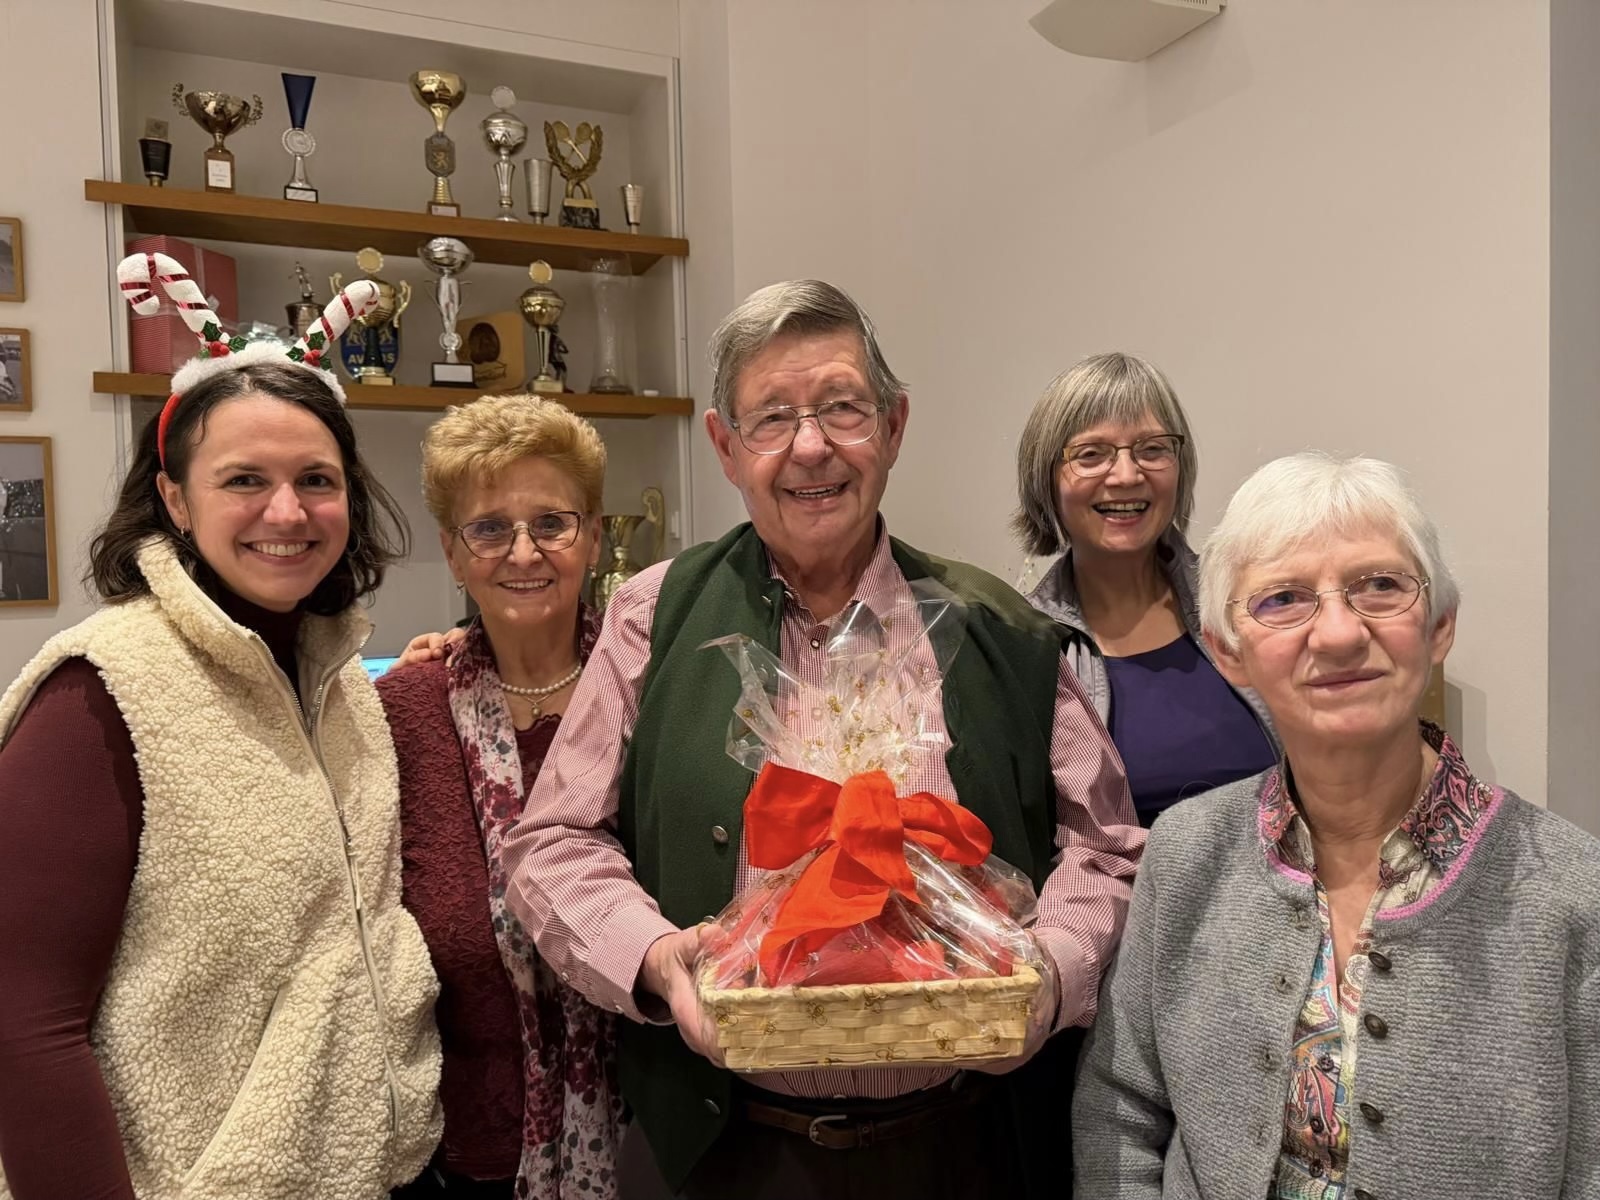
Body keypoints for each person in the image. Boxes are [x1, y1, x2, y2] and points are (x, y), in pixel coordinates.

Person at [500, 280, 1144, 1200]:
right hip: (722, 1151)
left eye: (843, 408)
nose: (811, 446)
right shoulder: (655, 613)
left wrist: (1050, 975)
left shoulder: (1000, 629)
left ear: (893, 427)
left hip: (963, 1149)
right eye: (772, 418)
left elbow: (1109, 846)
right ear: (726, 446)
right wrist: (654, 957)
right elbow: (551, 841)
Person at [0, 255, 441, 1200]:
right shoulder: (100, 692)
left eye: (316, 480)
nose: (288, 513)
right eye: (245, 479)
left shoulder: (344, 684)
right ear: (172, 498)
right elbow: (23, 1026)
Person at [1072, 453, 1600, 1199]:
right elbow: (1121, 1110)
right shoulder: (1187, 853)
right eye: (1284, 599)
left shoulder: (1575, 896)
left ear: (1440, 624)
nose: (1340, 633)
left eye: (1380, 586)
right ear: (1229, 653)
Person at [377, 395, 624, 1199]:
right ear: (452, 552)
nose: (525, 552)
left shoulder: (651, 689)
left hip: (658, 1139)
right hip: (467, 1157)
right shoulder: (404, 713)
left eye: (552, 523)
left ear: (592, 536)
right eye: (489, 528)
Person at [1015, 352, 1276, 826]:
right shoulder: (1023, 647)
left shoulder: (1245, 605)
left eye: (1152, 449)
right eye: (1091, 454)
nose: (1127, 475)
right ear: (1046, 479)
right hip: (1118, 898)